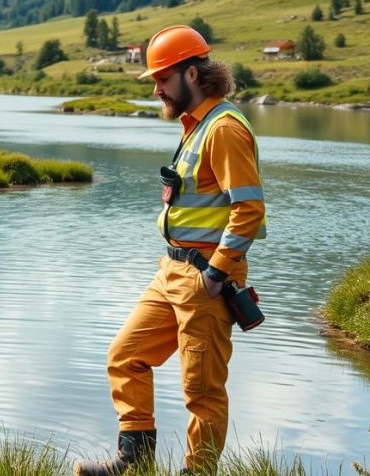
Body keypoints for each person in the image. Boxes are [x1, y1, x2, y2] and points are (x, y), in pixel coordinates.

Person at [75, 25, 266, 475]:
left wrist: (216, 275)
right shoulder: (195, 126)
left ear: (193, 74)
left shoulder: (223, 129)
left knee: (201, 392)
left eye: (162, 79)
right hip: (172, 272)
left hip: (205, 279)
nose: (157, 88)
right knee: (126, 355)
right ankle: (134, 459)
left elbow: (249, 210)